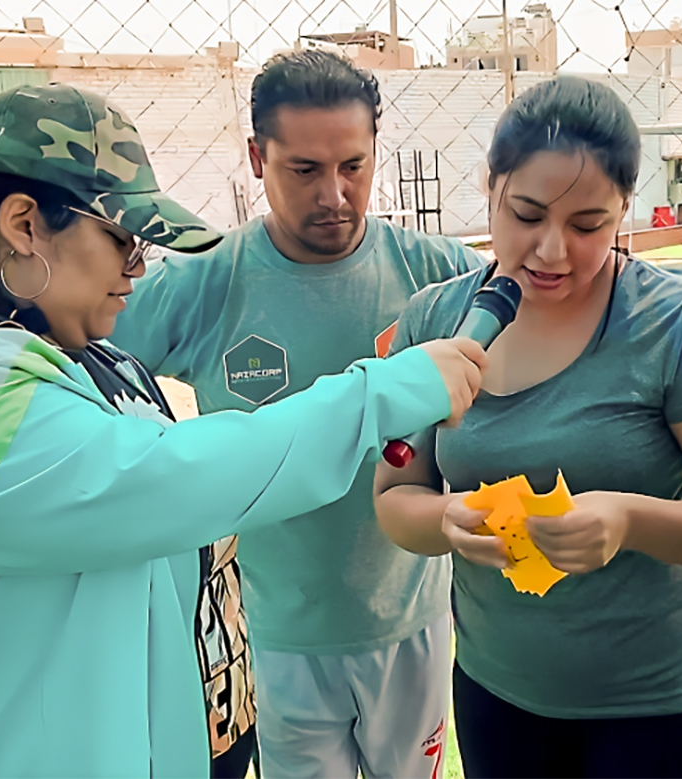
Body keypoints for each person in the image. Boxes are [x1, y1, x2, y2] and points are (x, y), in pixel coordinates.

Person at [0, 83, 486, 778]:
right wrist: (383, 391)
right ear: (25, 225)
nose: (138, 267)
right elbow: (172, 477)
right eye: (120, 238)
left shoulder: (78, 351)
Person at [375, 76, 682, 779]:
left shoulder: (672, 323)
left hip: (658, 714)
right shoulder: (431, 321)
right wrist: (446, 517)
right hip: (499, 701)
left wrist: (626, 519)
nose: (552, 250)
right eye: (526, 214)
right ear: (489, 186)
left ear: (623, 208)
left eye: (588, 225)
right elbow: (394, 499)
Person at [112, 50, 485, 779]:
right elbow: (79, 357)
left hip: (410, 624)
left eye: (353, 165)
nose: (336, 195)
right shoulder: (204, 283)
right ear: (257, 158)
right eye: (305, 170)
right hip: (273, 638)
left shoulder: (437, 277)